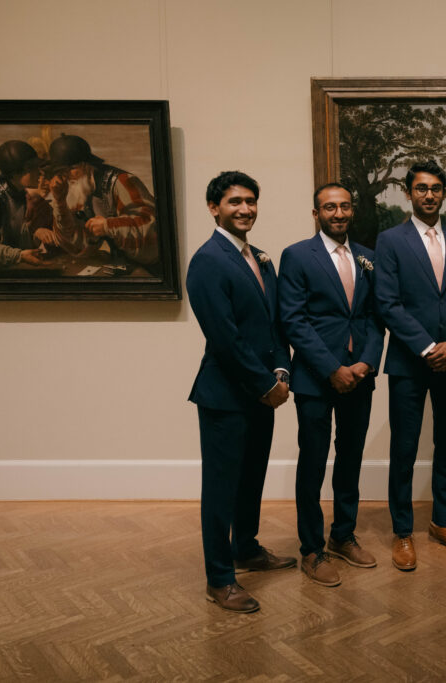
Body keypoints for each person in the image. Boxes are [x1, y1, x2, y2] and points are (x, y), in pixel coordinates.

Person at [187, 171, 296, 613]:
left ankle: (246, 548)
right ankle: (219, 578)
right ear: (214, 208)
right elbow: (225, 337)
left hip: (263, 391)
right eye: (235, 202)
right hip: (226, 397)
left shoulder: (258, 258)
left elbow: (273, 325)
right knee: (221, 488)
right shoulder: (208, 260)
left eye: (250, 201)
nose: (245, 209)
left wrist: (283, 370)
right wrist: (265, 385)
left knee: (252, 478)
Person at [278, 183, 385, 587]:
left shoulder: (367, 258)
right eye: (329, 207)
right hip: (315, 379)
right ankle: (311, 548)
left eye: (343, 206)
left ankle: (343, 535)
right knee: (313, 461)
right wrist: (331, 368)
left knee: (351, 457)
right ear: (316, 213)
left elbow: (376, 316)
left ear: (351, 211)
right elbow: (293, 319)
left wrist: (365, 363)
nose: (337, 213)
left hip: (359, 376)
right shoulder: (297, 256)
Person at [374, 159, 446, 570]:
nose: (429, 195)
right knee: (404, 447)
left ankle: (444, 522)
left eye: (436, 188)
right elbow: (387, 303)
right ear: (409, 193)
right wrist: (425, 346)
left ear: (445, 193)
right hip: (408, 362)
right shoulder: (390, 240)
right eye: (421, 188)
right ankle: (402, 531)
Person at [47, 134, 159, 267]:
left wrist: (108, 226)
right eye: (61, 171)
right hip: (117, 263)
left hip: (149, 265)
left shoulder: (122, 182)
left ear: (86, 164)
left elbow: (150, 226)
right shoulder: (76, 190)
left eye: (71, 169)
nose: (66, 175)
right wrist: (60, 202)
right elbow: (73, 240)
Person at [0, 140, 47, 267]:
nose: (40, 172)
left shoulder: (22, 193)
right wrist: (18, 255)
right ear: (16, 173)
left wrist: (35, 233)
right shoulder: (0, 197)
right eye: (33, 168)